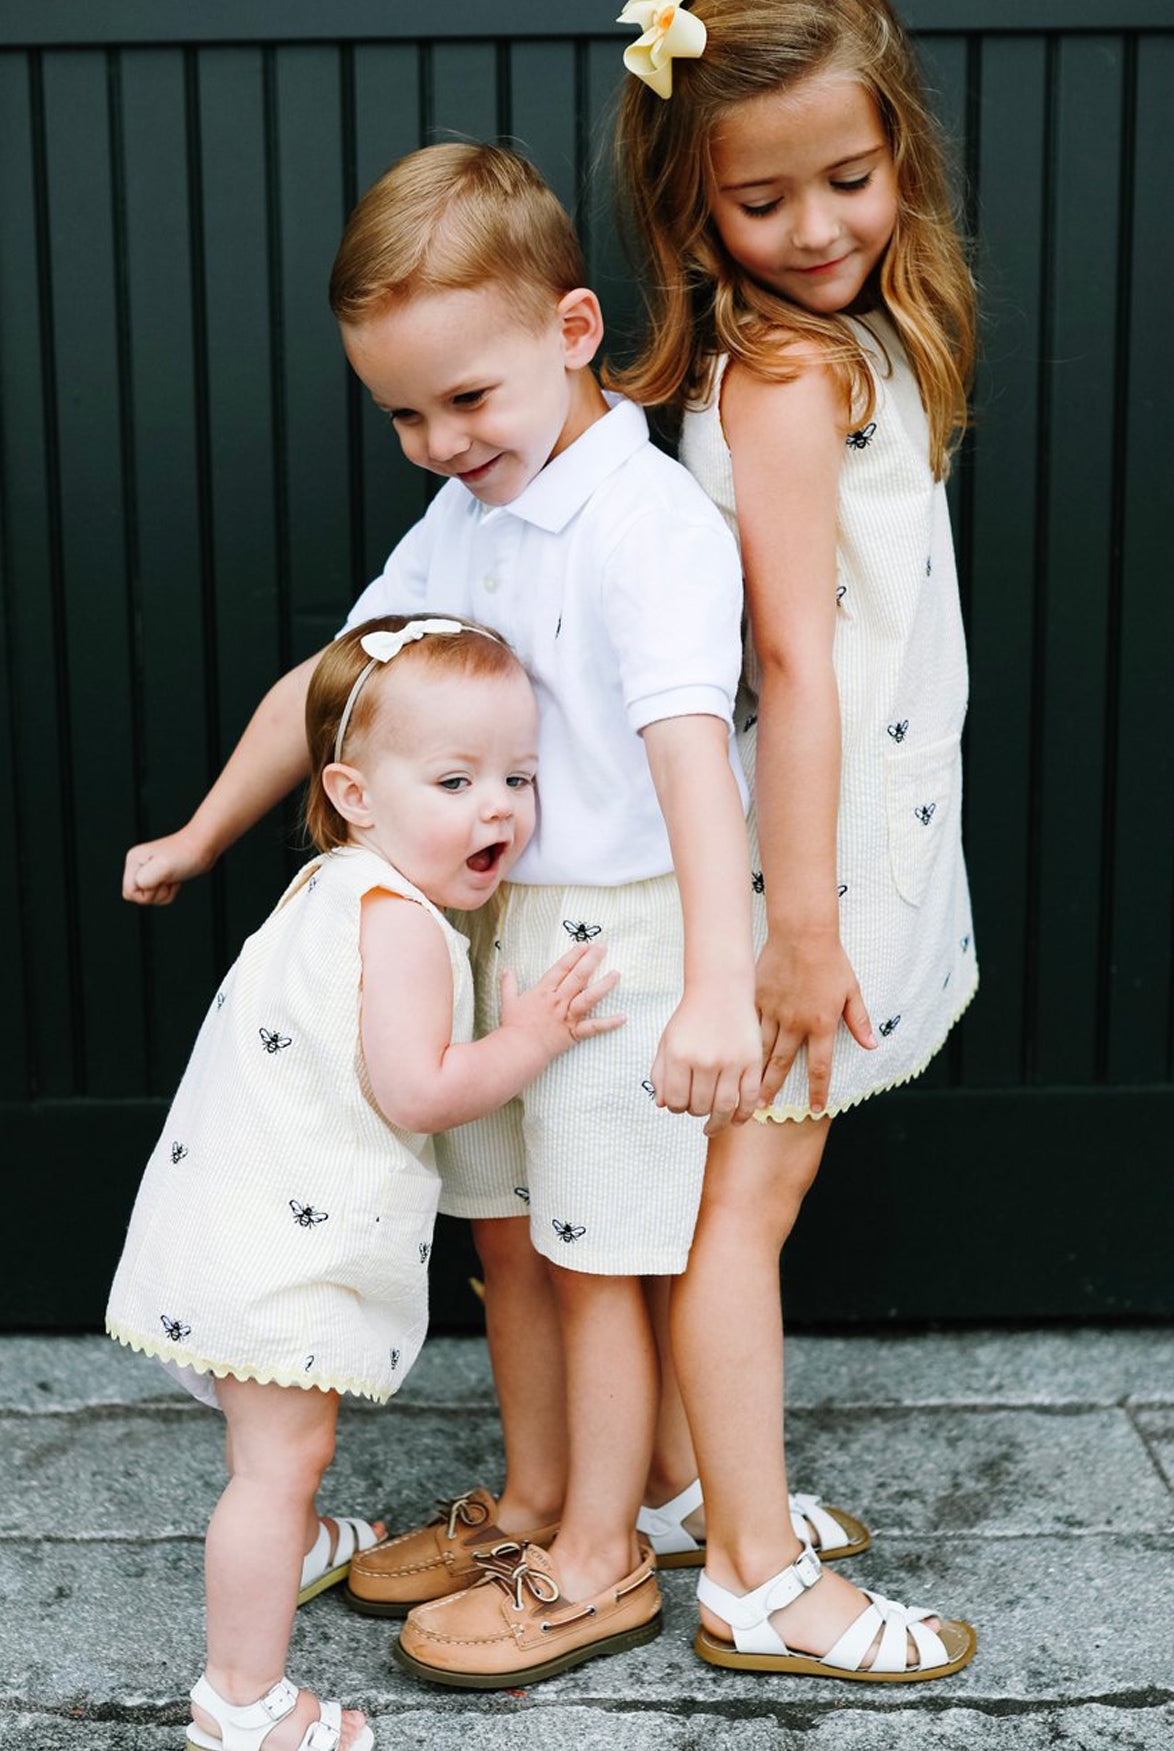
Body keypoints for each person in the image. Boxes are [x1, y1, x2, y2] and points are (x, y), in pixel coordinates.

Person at [123, 141, 777, 1686]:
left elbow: (695, 757)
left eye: (463, 400)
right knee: (508, 1243)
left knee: (603, 1253)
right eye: (402, 412)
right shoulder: (472, 516)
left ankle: (600, 1554)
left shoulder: (645, 522)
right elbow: (331, 684)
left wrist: (717, 982)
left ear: (570, 330)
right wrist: (207, 829)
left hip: (620, 935)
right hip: (491, 929)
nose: (434, 440)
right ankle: (538, 1496)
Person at [606, 0, 979, 1679]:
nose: (818, 228)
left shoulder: (844, 340)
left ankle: (693, 1486)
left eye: (849, 176)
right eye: (766, 206)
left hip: (843, 824)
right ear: (696, 209)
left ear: (895, 148)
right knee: (744, 1204)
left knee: (742, 1193)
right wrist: (798, 924)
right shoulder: (781, 376)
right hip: (795, 854)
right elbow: (786, 659)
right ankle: (753, 1575)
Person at [106, 613, 623, 1749]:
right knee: (275, 1466)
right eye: (455, 778)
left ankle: (293, 1548)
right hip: (283, 1250)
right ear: (352, 790)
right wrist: (533, 1034)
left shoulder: (335, 886)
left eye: (519, 776)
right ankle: (242, 1701)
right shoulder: (400, 927)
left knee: (276, 1453)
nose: (499, 805)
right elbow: (420, 1091)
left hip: (229, 1217)